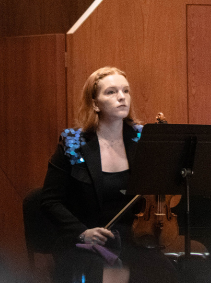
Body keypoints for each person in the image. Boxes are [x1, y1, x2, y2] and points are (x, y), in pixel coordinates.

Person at [41, 66, 143, 251]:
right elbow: (51, 201)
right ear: (95, 104)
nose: (122, 97)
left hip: (136, 238)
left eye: (126, 91)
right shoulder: (73, 143)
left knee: (162, 267)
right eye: (111, 92)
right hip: (87, 242)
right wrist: (82, 232)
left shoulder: (143, 139)